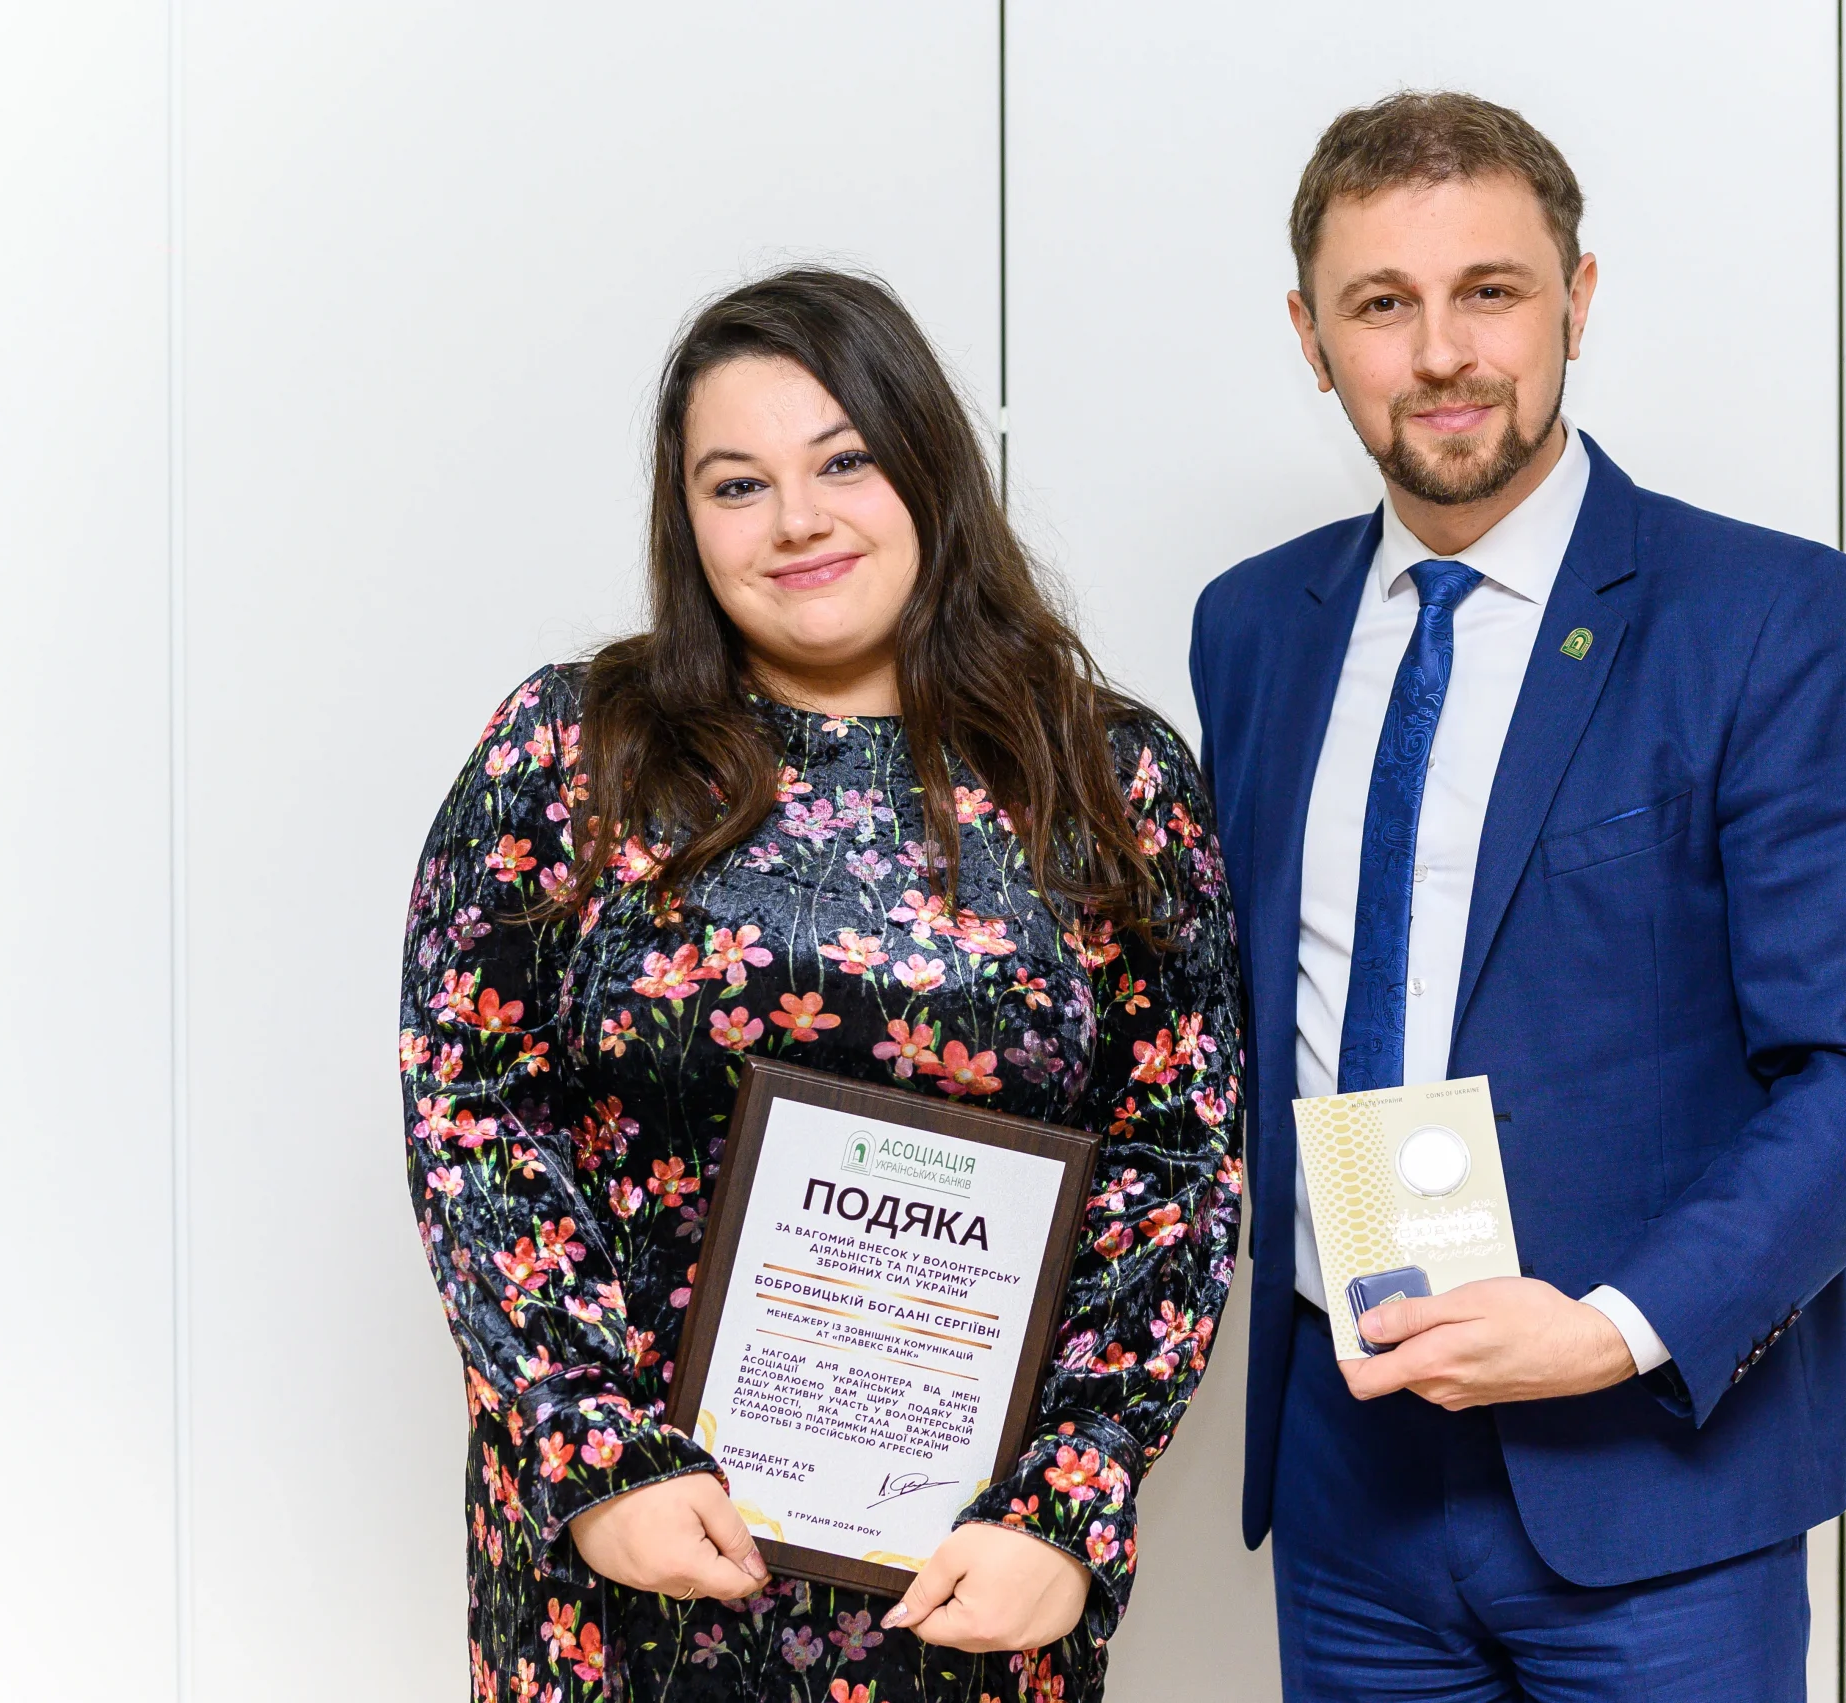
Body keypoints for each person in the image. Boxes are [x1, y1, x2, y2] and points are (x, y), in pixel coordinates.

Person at [1187, 92, 1846, 1701]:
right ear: (1312, 339)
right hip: (1346, 1484)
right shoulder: (1253, 629)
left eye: (1492, 290)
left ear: (1576, 302)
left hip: (1655, 1489)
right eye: (1381, 303)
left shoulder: (1766, 616)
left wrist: (1613, 1326)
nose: (1442, 352)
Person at [399, 267, 1243, 1703]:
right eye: (738, 484)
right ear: (686, 521)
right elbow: (471, 1107)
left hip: (969, 1585)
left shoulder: (1107, 779)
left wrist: (1068, 1505)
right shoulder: (573, 752)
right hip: (626, 1570)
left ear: (927, 469)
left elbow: (1174, 1160)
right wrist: (595, 1453)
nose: (796, 519)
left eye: (843, 461)